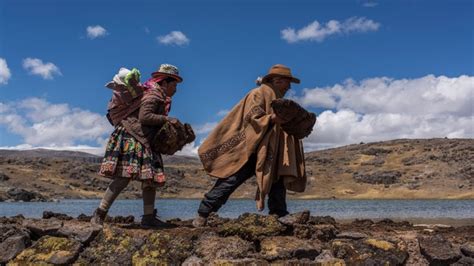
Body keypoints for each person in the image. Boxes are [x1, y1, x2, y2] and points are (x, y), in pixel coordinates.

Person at [193, 64, 307, 227]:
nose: (289, 87)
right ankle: (203, 214)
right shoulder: (258, 93)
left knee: (276, 181)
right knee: (230, 180)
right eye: (288, 82)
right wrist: (273, 119)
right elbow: (251, 118)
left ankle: (279, 213)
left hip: (270, 150)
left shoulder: (278, 98)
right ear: (278, 80)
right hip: (251, 149)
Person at [91, 64, 184, 227]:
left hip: (143, 138)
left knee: (150, 179)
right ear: (164, 83)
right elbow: (145, 117)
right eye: (174, 85)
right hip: (133, 137)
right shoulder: (154, 95)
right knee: (122, 177)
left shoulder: (155, 93)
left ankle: (148, 218)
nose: (176, 89)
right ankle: (99, 214)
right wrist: (167, 119)